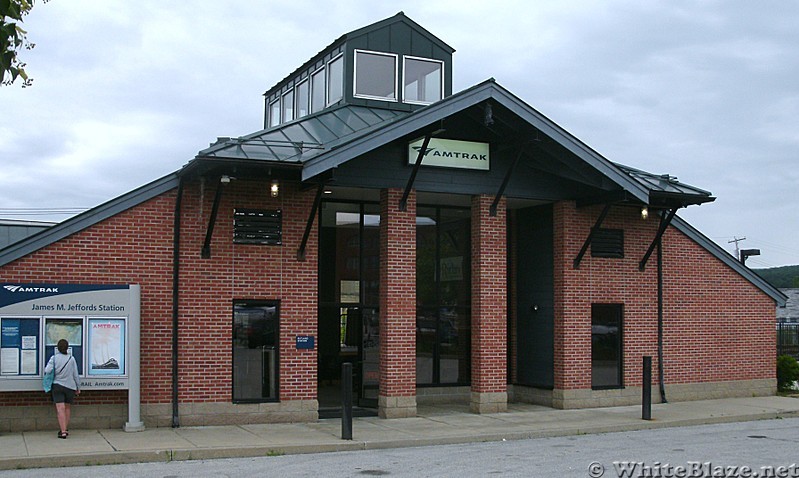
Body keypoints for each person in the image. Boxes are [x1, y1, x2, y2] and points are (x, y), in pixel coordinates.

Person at [44, 339, 80, 439]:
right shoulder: (71, 359)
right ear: (67, 348)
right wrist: (78, 387)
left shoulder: (54, 358)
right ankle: (65, 428)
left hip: (57, 386)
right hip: (70, 386)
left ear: (58, 348)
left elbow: (47, 370)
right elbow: (75, 374)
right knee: (67, 408)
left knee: (60, 408)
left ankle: (63, 431)